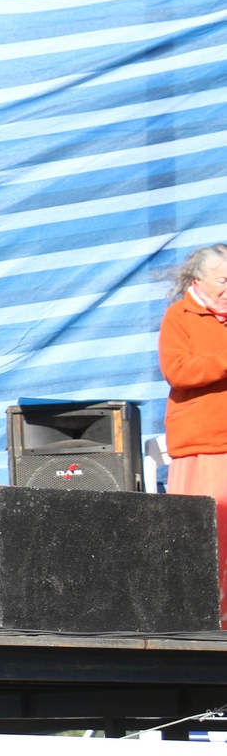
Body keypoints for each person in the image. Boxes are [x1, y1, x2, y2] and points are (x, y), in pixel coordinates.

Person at [158, 243, 227, 627]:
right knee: (205, 540)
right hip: (204, 446)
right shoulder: (179, 316)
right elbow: (178, 370)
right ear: (198, 280)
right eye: (223, 280)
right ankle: (202, 623)